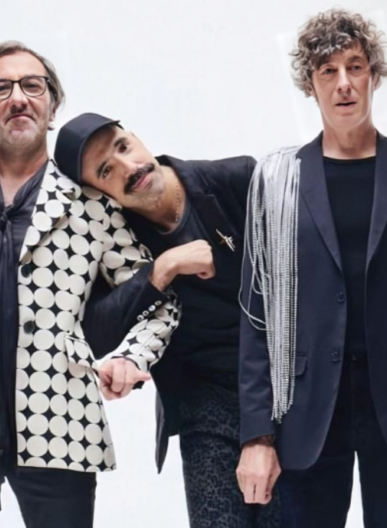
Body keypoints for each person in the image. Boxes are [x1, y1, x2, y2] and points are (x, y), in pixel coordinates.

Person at [0, 41, 178, 528]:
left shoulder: (94, 207)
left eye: (32, 86)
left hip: (59, 423)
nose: (18, 98)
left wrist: (133, 357)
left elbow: (160, 300)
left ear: (52, 105)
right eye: (0, 89)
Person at [236, 9, 387, 528]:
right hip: (306, 411)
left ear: (374, 76)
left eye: (355, 66)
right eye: (328, 70)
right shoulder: (276, 178)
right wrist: (256, 435)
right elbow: (256, 317)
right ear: (311, 83)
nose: (343, 83)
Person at [53, 112, 279, 527]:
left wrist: (262, 432)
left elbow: (297, 295)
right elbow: (95, 332)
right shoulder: (114, 237)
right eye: (106, 171)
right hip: (203, 402)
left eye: (123, 147)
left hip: (280, 390)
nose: (129, 167)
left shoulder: (237, 179)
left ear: (136, 137)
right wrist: (162, 269)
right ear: (96, 193)